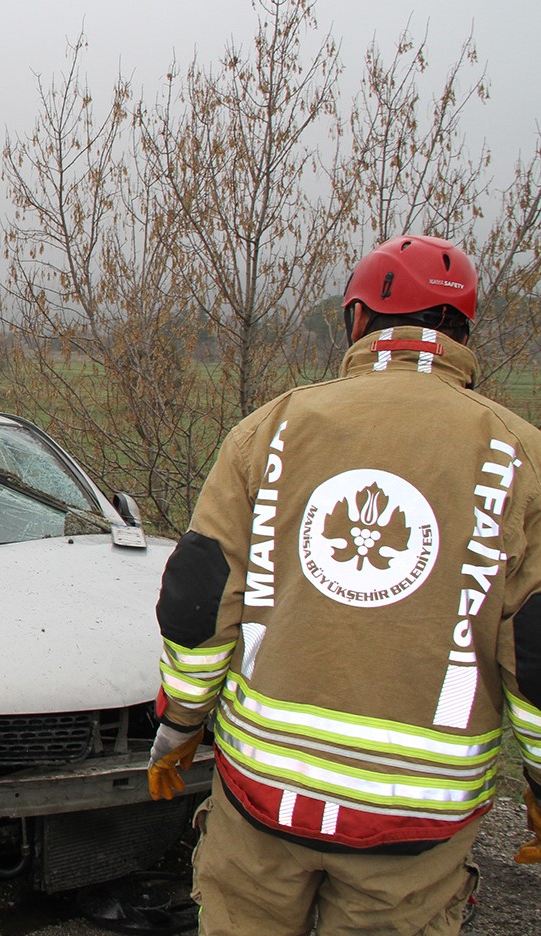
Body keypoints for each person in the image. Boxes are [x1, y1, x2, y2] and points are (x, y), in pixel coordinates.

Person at [148, 235, 541, 934]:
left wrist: (179, 726)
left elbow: (197, 602)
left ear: (358, 321)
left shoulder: (268, 430)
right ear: (461, 331)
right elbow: (537, 651)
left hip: (263, 802)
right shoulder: (522, 458)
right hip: (415, 826)